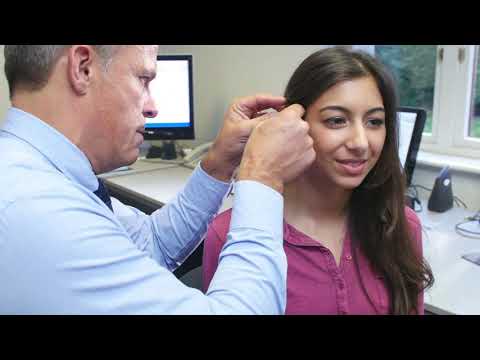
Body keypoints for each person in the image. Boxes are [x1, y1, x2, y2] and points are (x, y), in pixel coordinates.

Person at [0, 45, 316, 314]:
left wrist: (221, 163)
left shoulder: (38, 173)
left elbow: (151, 243)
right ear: (83, 68)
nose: (153, 108)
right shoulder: (40, 212)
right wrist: (262, 175)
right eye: (143, 79)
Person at [203, 47, 435, 315]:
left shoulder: (401, 225)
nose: (360, 142)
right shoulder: (231, 235)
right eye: (336, 120)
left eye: (374, 121)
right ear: (294, 124)